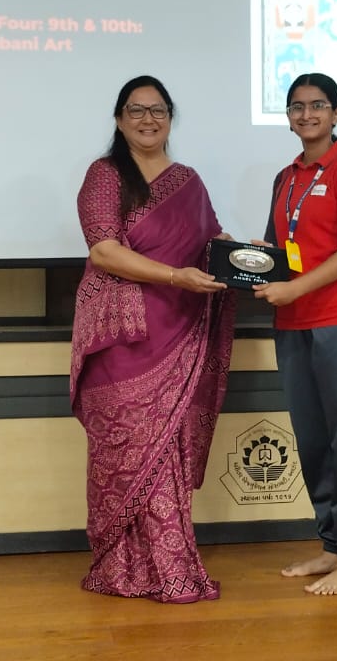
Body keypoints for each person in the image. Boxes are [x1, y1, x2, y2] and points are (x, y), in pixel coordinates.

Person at [69, 75, 234, 603]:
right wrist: (174, 276)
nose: (148, 119)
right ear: (120, 120)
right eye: (136, 110)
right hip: (122, 339)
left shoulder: (188, 181)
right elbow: (104, 251)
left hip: (179, 331)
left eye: (158, 110)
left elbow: (210, 244)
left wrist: (243, 256)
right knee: (127, 451)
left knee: (168, 452)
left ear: (170, 118)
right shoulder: (105, 175)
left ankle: (170, 567)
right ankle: (120, 568)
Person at [253, 72, 337, 596]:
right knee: (313, 442)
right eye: (297, 107)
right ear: (288, 117)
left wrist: (294, 288)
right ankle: (332, 545)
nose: (307, 114)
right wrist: (238, 256)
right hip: (294, 321)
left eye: (318, 105)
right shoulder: (286, 178)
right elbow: (277, 251)